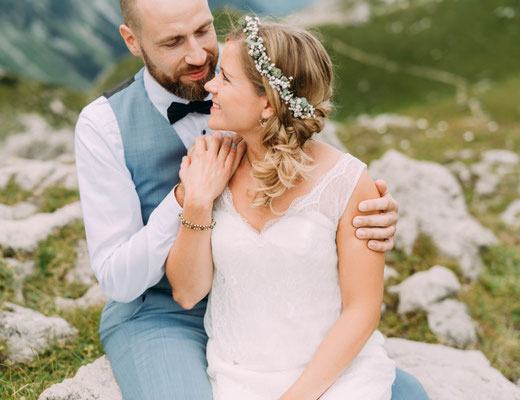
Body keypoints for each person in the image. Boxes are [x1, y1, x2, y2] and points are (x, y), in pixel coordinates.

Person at [73, 0, 427, 399]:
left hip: (264, 303)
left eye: (204, 31)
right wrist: (187, 199)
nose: (198, 57)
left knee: (405, 392)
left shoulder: (249, 73)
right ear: (132, 41)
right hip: (163, 311)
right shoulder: (103, 125)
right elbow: (118, 279)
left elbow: (315, 171)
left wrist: (364, 211)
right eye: (172, 42)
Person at [165, 16, 397, 399]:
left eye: (225, 77)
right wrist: (197, 201)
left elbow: (362, 311)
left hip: (336, 379)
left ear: (268, 104)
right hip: (237, 377)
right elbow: (188, 292)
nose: (210, 86)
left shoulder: (349, 181)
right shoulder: (211, 164)